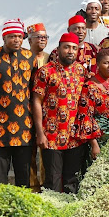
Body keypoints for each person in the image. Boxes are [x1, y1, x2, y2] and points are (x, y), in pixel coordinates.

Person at [0, 19, 37, 188]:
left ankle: (23, 210)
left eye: (19, 37)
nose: (16, 40)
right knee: (0, 178)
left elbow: (35, 91)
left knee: (23, 176)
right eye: (12, 36)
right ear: (4, 37)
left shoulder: (30, 58)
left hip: (25, 127)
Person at [32, 33, 88, 193]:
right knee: (52, 181)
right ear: (58, 48)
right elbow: (36, 101)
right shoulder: (45, 71)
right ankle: (53, 215)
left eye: (74, 48)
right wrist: (39, 133)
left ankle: (69, 216)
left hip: (75, 137)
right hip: (51, 136)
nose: (70, 51)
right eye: (67, 47)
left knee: (72, 181)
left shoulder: (81, 71)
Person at [25, 22, 49, 188]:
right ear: (29, 40)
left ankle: (46, 186)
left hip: (46, 111)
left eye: (45, 37)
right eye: (38, 37)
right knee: (29, 151)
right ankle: (32, 187)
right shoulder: (23, 58)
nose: (42, 40)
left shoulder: (51, 57)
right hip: (26, 111)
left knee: (46, 150)